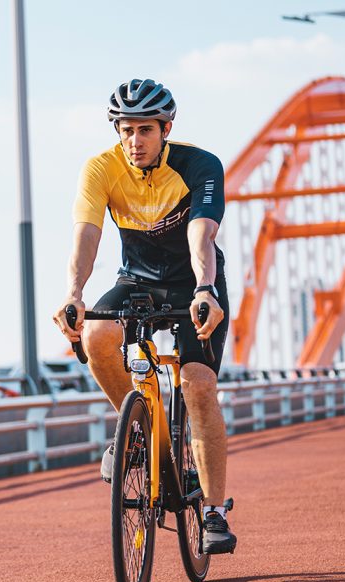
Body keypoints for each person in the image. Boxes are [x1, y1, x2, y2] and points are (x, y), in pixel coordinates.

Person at [53, 78, 235, 554]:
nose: (135, 141)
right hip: (137, 278)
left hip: (194, 283)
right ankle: (136, 432)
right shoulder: (100, 168)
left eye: (146, 130)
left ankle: (213, 511)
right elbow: (87, 234)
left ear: (166, 128)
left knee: (197, 384)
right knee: (95, 336)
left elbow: (202, 233)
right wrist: (74, 292)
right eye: (126, 130)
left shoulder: (200, 165)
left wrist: (204, 288)